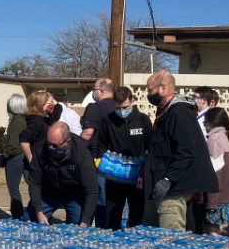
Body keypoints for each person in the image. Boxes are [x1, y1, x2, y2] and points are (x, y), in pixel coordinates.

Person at [144, 71, 219, 230]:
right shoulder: (165, 111)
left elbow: (186, 151)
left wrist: (168, 179)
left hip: (174, 190)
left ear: (162, 88)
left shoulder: (178, 112)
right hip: (165, 186)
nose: (148, 94)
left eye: (149, 90)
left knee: (170, 241)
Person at [97, 87, 152, 230]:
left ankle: (134, 241)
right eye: (118, 107)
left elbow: (150, 145)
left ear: (132, 102)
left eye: (125, 107)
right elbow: (101, 144)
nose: (121, 110)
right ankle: (111, 241)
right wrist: (101, 163)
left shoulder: (143, 120)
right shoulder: (108, 120)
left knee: (137, 213)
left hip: (137, 175)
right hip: (114, 174)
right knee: (112, 213)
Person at [26, 122, 99, 226]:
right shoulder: (41, 147)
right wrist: (39, 212)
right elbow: (34, 182)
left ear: (67, 141)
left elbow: (92, 190)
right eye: (48, 143)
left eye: (55, 145)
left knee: (78, 226)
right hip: (49, 193)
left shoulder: (82, 152)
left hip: (75, 194)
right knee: (27, 220)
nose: (50, 147)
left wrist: (85, 221)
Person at [81, 79, 116, 228]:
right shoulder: (119, 106)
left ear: (101, 91)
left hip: (97, 157)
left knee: (97, 194)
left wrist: (78, 150)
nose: (94, 93)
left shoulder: (96, 108)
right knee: (112, 197)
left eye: (94, 90)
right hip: (116, 160)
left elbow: (88, 133)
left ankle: (100, 228)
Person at [202, 107, 229, 235]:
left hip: (216, 196)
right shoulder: (226, 137)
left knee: (211, 230)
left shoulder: (214, 139)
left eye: (205, 123)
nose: (204, 126)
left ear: (213, 123)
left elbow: (215, 173)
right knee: (214, 230)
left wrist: (211, 202)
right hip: (225, 195)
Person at [188, 86, 220, 232]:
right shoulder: (194, 116)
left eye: (196, 97)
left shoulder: (210, 119)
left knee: (202, 213)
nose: (194, 100)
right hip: (192, 168)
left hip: (204, 168)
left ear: (205, 100)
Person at [1, 94, 28, 219]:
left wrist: (4, 155)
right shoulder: (19, 120)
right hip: (18, 156)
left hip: (15, 158)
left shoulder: (18, 121)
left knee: (13, 189)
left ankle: (17, 216)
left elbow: (14, 144)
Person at [18, 90, 52, 164]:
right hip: (35, 168)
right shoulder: (36, 121)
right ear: (40, 104)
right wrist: (31, 160)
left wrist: (48, 94)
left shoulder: (42, 119)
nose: (51, 107)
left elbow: (57, 111)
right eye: (49, 104)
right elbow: (24, 140)